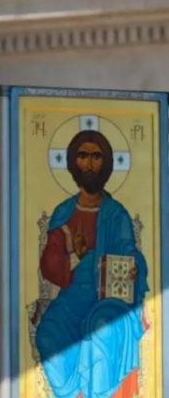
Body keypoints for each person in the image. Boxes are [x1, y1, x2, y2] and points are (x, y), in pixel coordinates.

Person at [35, 130, 148, 398]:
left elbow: (129, 253)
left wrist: (135, 268)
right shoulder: (64, 212)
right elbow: (50, 266)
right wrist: (71, 251)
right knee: (47, 334)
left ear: (105, 164)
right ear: (73, 163)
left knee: (102, 330)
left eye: (96, 157)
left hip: (107, 299)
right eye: (82, 156)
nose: (88, 163)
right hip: (73, 297)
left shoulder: (116, 214)